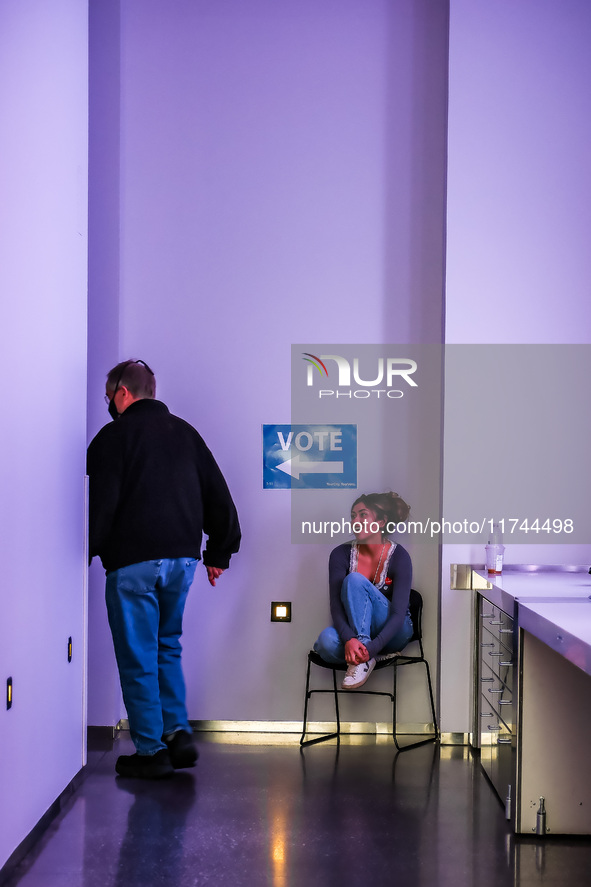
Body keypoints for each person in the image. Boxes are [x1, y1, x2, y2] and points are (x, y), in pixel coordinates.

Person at [87, 359, 241, 779]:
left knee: (138, 656)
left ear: (122, 393)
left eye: (108, 397)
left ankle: (151, 751)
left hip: (133, 563)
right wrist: (219, 553)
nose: (108, 404)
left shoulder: (113, 437)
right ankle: (176, 731)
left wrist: (85, 551)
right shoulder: (186, 434)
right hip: (182, 562)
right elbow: (218, 495)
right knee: (166, 645)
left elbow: (100, 505)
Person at [314, 491, 413, 689]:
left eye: (363, 514)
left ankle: (366, 656)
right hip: (359, 635)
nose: (356, 520)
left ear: (382, 522)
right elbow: (336, 606)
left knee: (354, 580)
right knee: (325, 642)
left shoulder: (399, 556)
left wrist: (370, 647)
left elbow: (398, 613)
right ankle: (370, 656)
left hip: (396, 630)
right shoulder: (340, 554)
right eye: (353, 515)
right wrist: (349, 639)